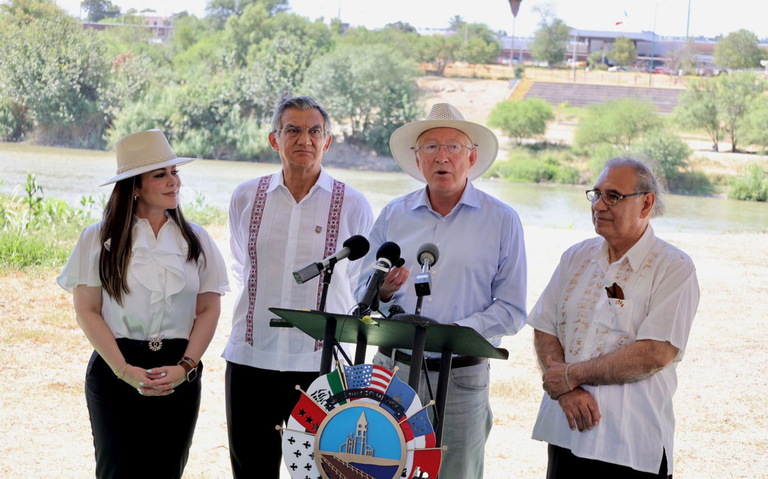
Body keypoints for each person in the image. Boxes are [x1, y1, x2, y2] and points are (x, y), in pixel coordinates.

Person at [363, 103, 528, 479]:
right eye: (431, 147)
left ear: (471, 157)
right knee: (383, 468)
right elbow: (362, 287)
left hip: (460, 377)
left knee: (456, 473)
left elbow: (512, 308)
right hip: (392, 369)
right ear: (417, 158)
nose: (442, 157)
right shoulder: (393, 215)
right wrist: (382, 293)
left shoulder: (502, 220)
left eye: (453, 147)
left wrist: (457, 331)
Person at [56, 129, 229, 479]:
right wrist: (124, 370)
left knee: (167, 471)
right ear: (134, 186)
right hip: (115, 369)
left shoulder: (197, 239)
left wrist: (185, 367)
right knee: (115, 472)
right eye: (160, 175)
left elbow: (209, 309)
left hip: (179, 372)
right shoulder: (98, 238)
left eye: (174, 172)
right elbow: (87, 311)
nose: (174, 182)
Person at [224, 96, 374, 478]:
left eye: (314, 131)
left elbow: (355, 284)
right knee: (250, 470)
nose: (304, 139)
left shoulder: (353, 204)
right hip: (250, 359)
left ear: (327, 141)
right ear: (274, 139)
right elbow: (243, 267)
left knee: (318, 471)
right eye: (292, 129)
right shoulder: (245, 196)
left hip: (319, 367)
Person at [528, 158, 700, 478]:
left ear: (646, 204)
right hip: (566, 432)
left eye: (613, 196)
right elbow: (544, 325)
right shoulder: (575, 256)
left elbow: (655, 353)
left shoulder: (674, 267)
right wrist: (566, 390)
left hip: (630, 446)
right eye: (596, 194)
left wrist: (571, 375)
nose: (598, 206)